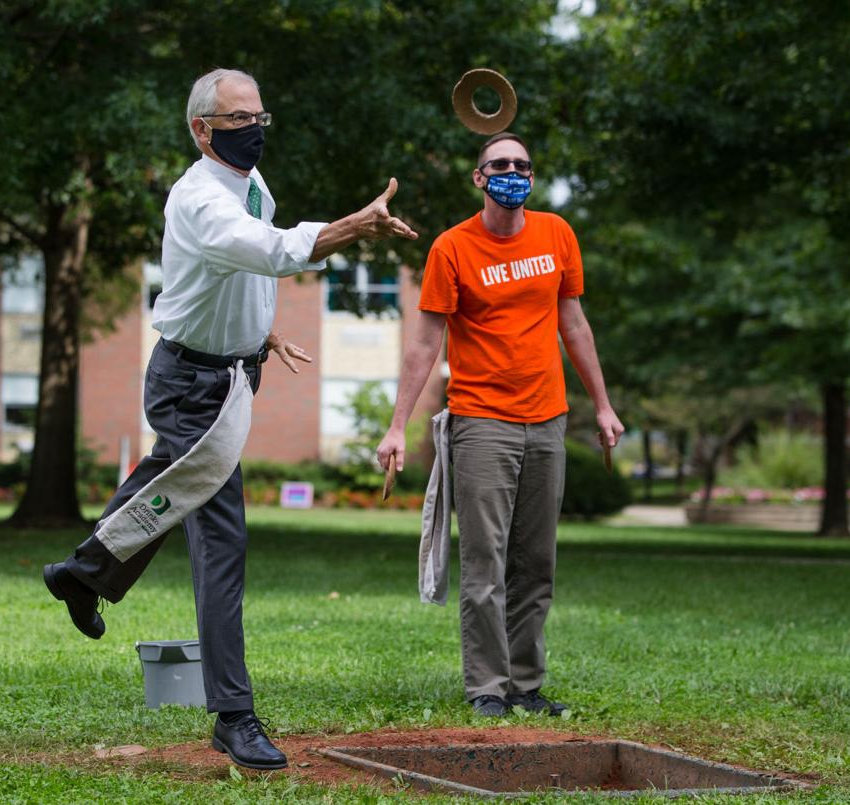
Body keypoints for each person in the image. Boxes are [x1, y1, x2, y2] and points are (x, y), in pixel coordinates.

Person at [43, 68, 417, 769]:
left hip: (228, 374)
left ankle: (83, 570)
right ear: (201, 129)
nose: (253, 128)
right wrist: (355, 226)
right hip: (192, 382)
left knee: (175, 490)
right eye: (237, 118)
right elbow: (267, 251)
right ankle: (233, 714)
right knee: (221, 540)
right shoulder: (196, 199)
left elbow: (239, 271)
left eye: (259, 116)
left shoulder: (249, 186)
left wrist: (261, 332)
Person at [376, 131, 624, 718]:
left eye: (522, 164)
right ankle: (488, 686)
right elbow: (424, 342)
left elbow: (575, 324)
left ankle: (526, 685)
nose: (512, 171)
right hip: (482, 420)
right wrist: (395, 426)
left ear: (531, 178)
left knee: (536, 563)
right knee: (486, 563)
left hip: (548, 420)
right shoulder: (452, 248)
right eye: (499, 164)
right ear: (479, 178)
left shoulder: (558, 234)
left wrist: (604, 405)